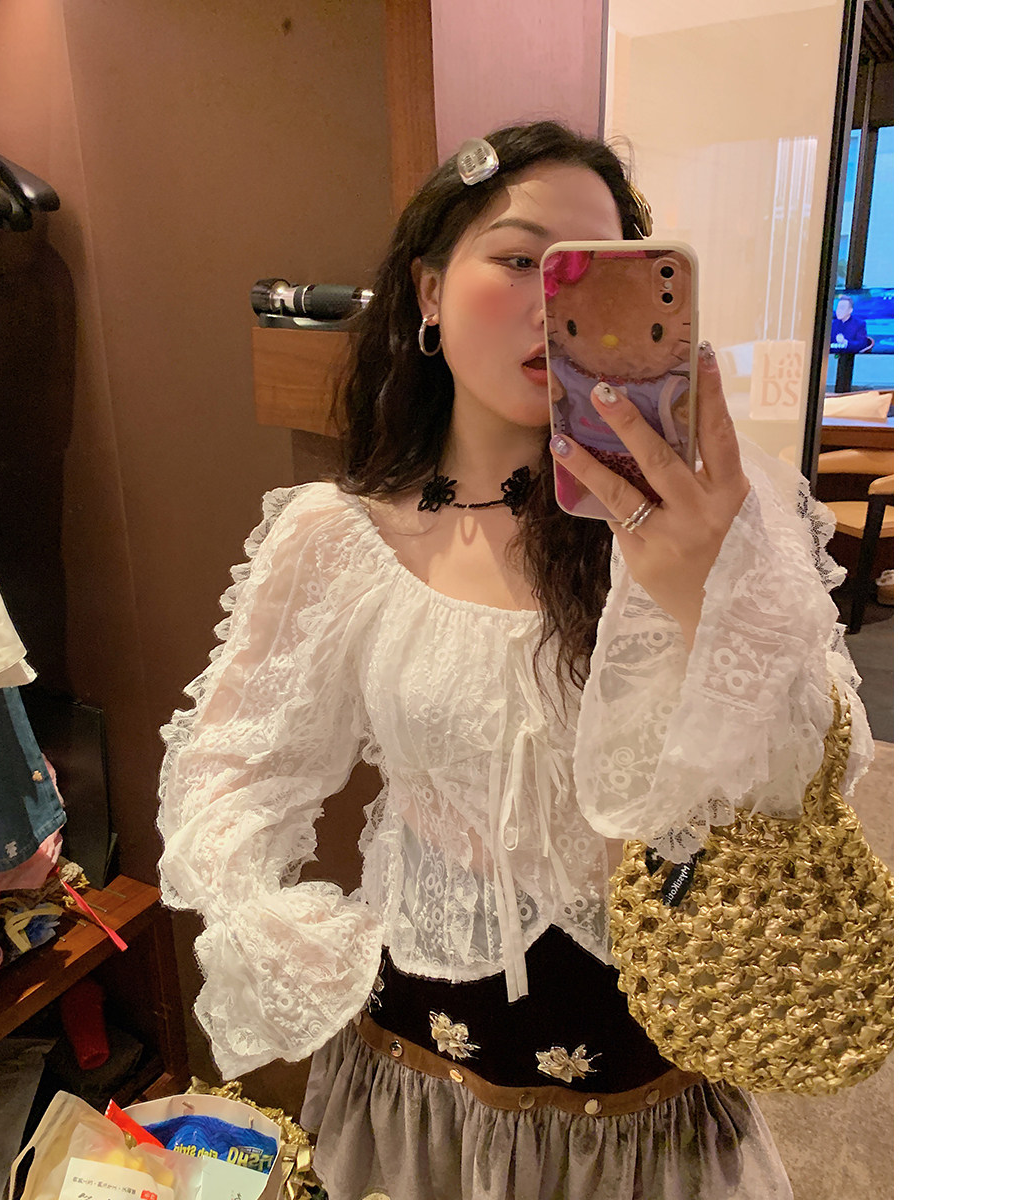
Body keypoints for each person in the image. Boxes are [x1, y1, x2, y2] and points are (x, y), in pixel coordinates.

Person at [157, 121, 874, 1200]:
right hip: (420, 1072)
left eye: (600, 274)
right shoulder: (338, 539)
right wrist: (269, 920)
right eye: (521, 259)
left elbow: (822, 770)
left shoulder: (723, 512)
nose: (558, 304)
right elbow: (231, 767)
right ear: (429, 290)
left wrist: (707, 595)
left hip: (655, 1082)